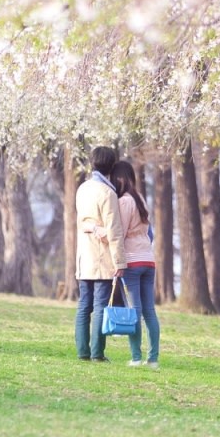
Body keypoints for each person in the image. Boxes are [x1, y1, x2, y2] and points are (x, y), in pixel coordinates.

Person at [75, 146, 127, 362]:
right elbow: (114, 230)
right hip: (102, 258)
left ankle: (82, 352)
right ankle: (97, 353)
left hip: (84, 256)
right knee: (99, 307)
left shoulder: (83, 188)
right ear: (111, 166)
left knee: (83, 306)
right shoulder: (108, 193)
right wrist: (120, 262)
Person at [109, 160, 160, 368]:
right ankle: (153, 359)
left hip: (132, 261)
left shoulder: (124, 202)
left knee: (134, 311)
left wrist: (96, 230)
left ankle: (136, 357)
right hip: (148, 260)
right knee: (149, 311)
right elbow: (149, 233)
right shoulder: (140, 199)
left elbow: (117, 232)